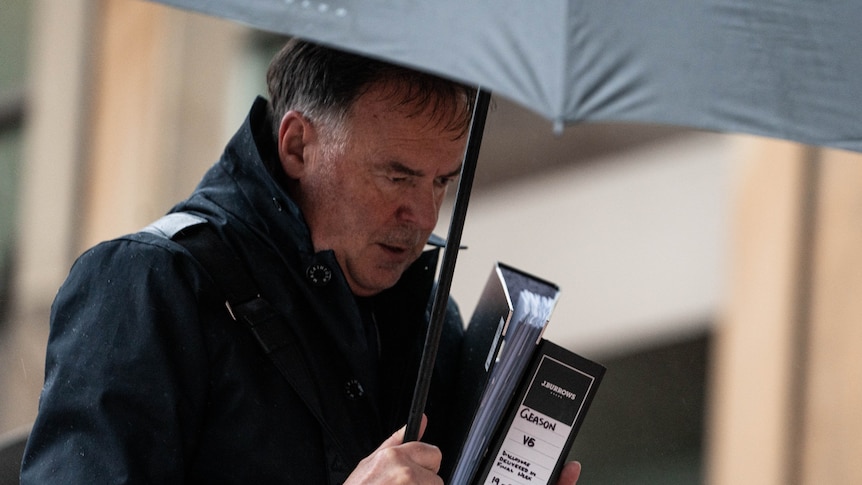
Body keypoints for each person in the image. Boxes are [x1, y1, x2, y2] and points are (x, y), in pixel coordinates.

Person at [21, 39, 580, 484]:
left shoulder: (430, 315)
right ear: (296, 146)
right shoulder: (149, 284)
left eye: (442, 181)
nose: (423, 215)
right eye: (398, 176)